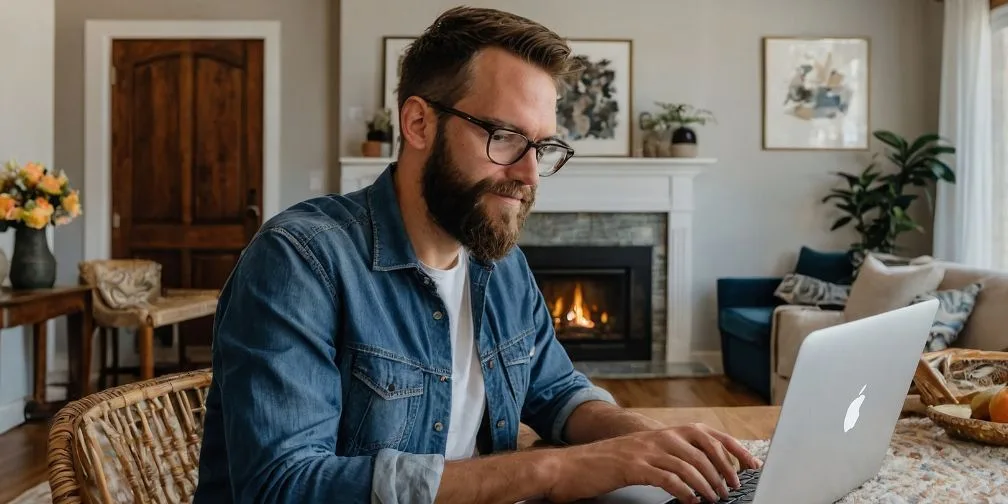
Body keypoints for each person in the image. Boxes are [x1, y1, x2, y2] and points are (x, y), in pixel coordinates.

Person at [193, 6, 761, 504]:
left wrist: (646, 443)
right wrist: (553, 469)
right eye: (505, 137)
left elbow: (556, 392)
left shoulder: (497, 259)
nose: (529, 174)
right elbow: (284, 486)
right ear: (418, 122)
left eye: (542, 146)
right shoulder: (301, 262)